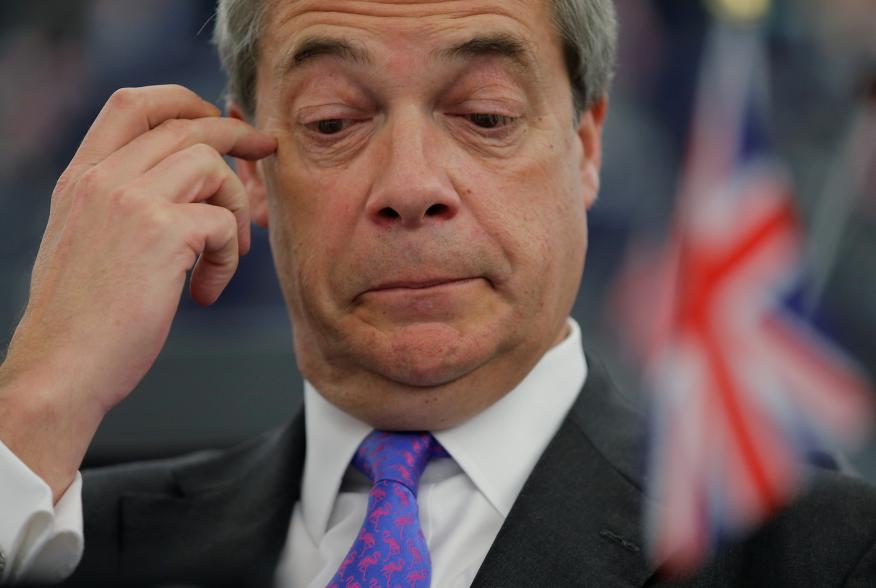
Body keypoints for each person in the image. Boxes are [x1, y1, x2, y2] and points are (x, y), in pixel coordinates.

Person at [0, 0, 875, 586]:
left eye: (486, 116)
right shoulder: (63, 541)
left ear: (589, 147)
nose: (411, 184)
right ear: (251, 170)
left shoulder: (820, 554)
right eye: (334, 121)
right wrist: (38, 400)